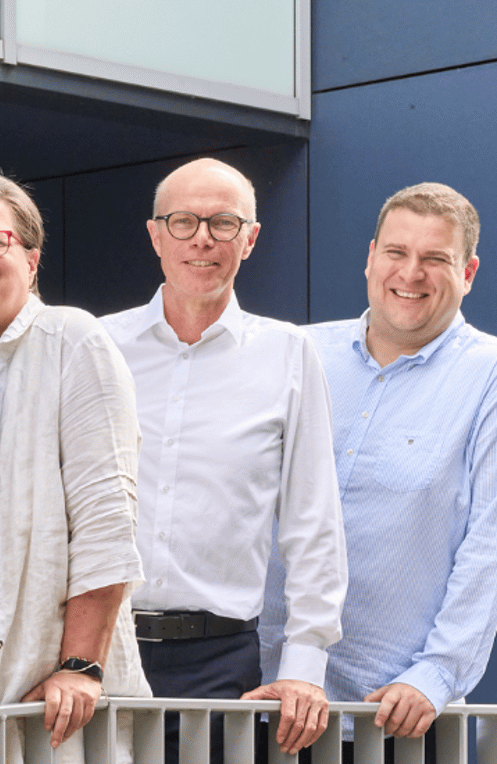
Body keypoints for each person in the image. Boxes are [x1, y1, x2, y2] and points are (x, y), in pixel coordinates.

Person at [98, 158, 346, 757]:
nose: (202, 238)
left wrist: (305, 665)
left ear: (251, 239)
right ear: (155, 235)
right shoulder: (97, 344)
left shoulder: (290, 354)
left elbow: (314, 522)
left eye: (224, 223)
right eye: (183, 222)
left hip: (220, 664)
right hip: (97, 651)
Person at [0, 173, 152, 761]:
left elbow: (107, 519)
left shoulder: (73, 341)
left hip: (42, 689)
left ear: (31, 258)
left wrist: (80, 665)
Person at [260, 182, 497, 756]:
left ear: (467, 271)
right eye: (396, 252)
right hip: (261, 700)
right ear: (370, 256)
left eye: (435, 259)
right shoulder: (297, 353)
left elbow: (489, 542)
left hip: (393, 718)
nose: (410, 273)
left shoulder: (489, 376)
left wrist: (437, 674)